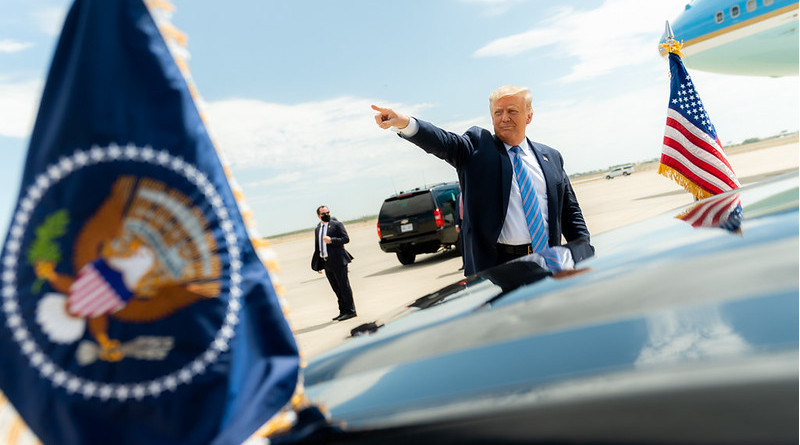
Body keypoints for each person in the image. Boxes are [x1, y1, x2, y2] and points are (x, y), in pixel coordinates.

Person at [372, 85, 593, 276]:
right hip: (498, 268)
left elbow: (571, 214)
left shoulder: (551, 157)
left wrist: (584, 255)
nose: (504, 117)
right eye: (498, 112)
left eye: (512, 111)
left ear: (529, 116)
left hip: (550, 262)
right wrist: (404, 123)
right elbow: (443, 142)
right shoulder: (477, 148)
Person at [310, 206, 357, 321]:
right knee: (336, 288)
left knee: (344, 287)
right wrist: (318, 264)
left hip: (338, 261)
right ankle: (342, 311)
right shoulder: (318, 229)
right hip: (326, 263)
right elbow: (318, 248)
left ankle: (351, 311)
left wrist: (332, 240)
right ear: (318, 216)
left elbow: (346, 239)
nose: (326, 215)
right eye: (323, 213)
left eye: (327, 212)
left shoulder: (336, 225)